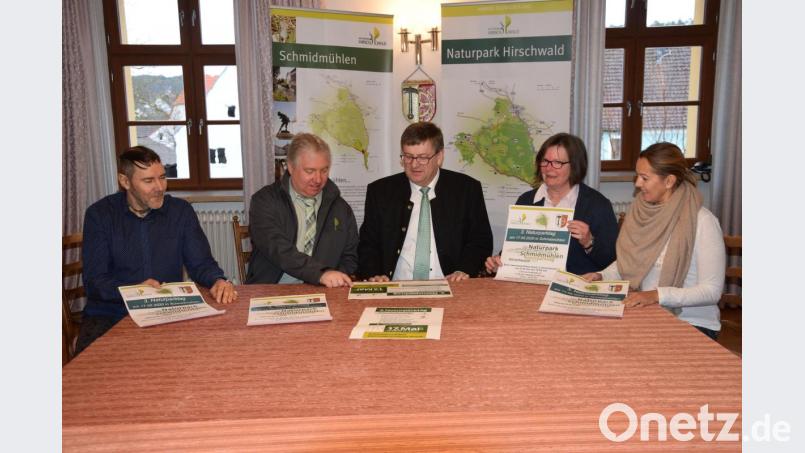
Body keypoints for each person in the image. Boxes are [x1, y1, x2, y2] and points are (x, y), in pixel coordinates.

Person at [79, 146, 237, 354]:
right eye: (148, 181)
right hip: (112, 313)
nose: (159, 187)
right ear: (125, 181)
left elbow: (201, 264)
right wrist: (135, 291)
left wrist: (218, 280)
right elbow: (95, 282)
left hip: (167, 312)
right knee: (93, 374)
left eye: (162, 177)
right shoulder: (100, 216)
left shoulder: (180, 212)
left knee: (208, 353)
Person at [583, 142, 726, 339]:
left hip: (693, 323)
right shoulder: (639, 212)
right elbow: (631, 261)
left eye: (644, 178)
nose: (637, 184)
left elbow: (712, 291)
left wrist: (657, 295)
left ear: (668, 181)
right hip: (646, 313)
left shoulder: (703, 222)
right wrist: (602, 276)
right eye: (637, 176)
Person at [358, 121, 493, 282]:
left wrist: (463, 270)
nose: (414, 164)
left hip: (451, 286)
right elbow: (368, 245)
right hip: (395, 287)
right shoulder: (380, 192)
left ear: (439, 157)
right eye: (408, 157)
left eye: (422, 157)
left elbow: (480, 241)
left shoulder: (466, 190)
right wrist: (374, 274)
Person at [485, 133, 618, 276]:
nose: (549, 168)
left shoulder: (597, 205)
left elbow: (612, 261)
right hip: (531, 286)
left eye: (557, 163)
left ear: (575, 166)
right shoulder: (526, 201)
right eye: (545, 161)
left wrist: (589, 242)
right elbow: (514, 250)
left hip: (576, 288)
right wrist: (499, 262)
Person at [246, 133, 358, 287]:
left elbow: (350, 256)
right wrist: (320, 273)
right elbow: (278, 249)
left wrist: (336, 280)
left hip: (322, 291)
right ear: (291, 167)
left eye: (324, 170)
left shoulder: (341, 209)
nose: (318, 179)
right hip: (272, 290)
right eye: (310, 171)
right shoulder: (264, 201)